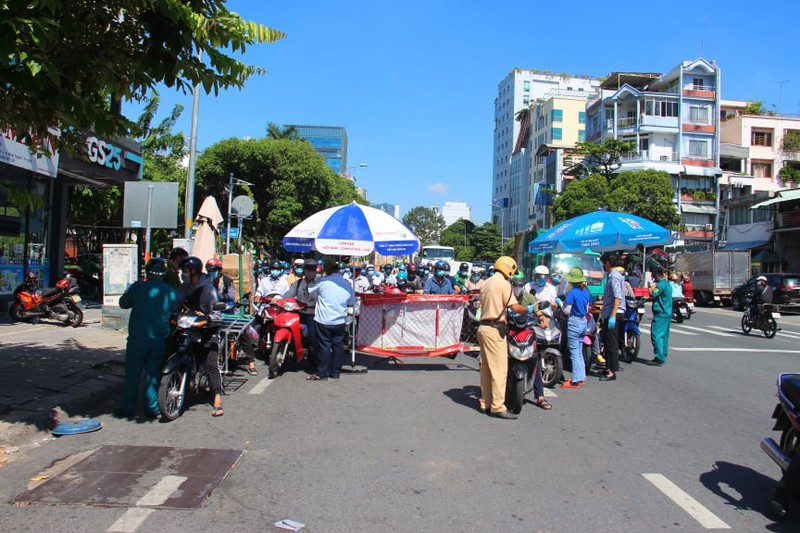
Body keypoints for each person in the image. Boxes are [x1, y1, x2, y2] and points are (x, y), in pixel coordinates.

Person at [478, 256, 542, 419]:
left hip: (483, 328)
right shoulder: (504, 284)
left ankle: (486, 402)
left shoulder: (485, 282)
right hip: (494, 329)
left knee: (486, 369)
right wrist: (528, 309)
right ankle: (498, 407)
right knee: (499, 370)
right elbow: (514, 307)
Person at [116, 258, 177, 419]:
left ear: (147, 271)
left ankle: (127, 407)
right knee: (153, 374)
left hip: (137, 338)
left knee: (133, 374)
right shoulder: (170, 291)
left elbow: (123, 303)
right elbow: (174, 310)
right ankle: (151, 407)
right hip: (158, 339)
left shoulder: (137, 287)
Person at [175, 256, 224, 416]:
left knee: (211, 361)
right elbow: (176, 304)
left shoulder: (208, 288)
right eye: (183, 271)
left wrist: (207, 318)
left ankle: (217, 397)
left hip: (208, 328)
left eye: (186, 271)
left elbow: (216, 312)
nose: (184, 274)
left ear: (194, 272)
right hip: (190, 326)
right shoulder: (184, 287)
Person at [206, 257, 258, 376]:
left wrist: (217, 297)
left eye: (214, 270)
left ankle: (251, 362)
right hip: (212, 313)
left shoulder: (227, 281)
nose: (211, 273)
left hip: (229, 311)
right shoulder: (205, 281)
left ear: (219, 270)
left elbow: (231, 296)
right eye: (209, 270)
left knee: (242, 333)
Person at [306, 257, 355, 381]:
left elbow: (310, 291)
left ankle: (322, 373)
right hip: (339, 321)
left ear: (327, 270)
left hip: (323, 320)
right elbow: (351, 302)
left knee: (324, 346)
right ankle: (335, 372)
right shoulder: (347, 284)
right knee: (338, 346)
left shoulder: (322, 282)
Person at [510, 273, 552, 410]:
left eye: (520, 285)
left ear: (523, 286)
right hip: (510, 330)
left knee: (535, 362)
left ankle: (540, 396)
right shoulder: (507, 296)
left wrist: (543, 319)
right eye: (515, 285)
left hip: (526, 330)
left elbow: (537, 311)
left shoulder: (529, 297)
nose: (517, 287)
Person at [283, 258, 319, 367]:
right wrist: (280, 300)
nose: (310, 272)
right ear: (304, 271)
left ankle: (315, 355)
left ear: (316, 271)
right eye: (308, 269)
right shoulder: (298, 283)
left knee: (313, 336)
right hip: (298, 313)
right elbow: (288, 296)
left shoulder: (319, 284)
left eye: (312, 270)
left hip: (313, 314)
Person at [561, 267, 590, 389]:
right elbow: (587, 308)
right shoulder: (586, 292)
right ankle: (581, 377)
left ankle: (576, 381)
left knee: (574, 353)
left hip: (574, 322)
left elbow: (567, 310)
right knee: (579, 351)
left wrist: (560, 304)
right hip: (583, 321)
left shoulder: (572, 293)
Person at [599, 252, 626, 382]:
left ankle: (612, 370)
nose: (603, 266)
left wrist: (613, 316)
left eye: (603, 264)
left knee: (611, 343)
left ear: (608, 263)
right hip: (610, 311)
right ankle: (608, 366)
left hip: (613, 313)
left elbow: (617, 297)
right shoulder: (615, 276)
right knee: (607, 341)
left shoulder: (614, 277)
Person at [648, 266, 672, 366]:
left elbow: (653, 294)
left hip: (660, 313)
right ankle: (663, 355)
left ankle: (659, 357)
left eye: (654, 276)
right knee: (664, 336)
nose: (654, 278)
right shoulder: (668, 285)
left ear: (658, 275)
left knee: (656, 334)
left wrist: (651, 287)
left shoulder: (660, 286)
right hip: (667, 312)